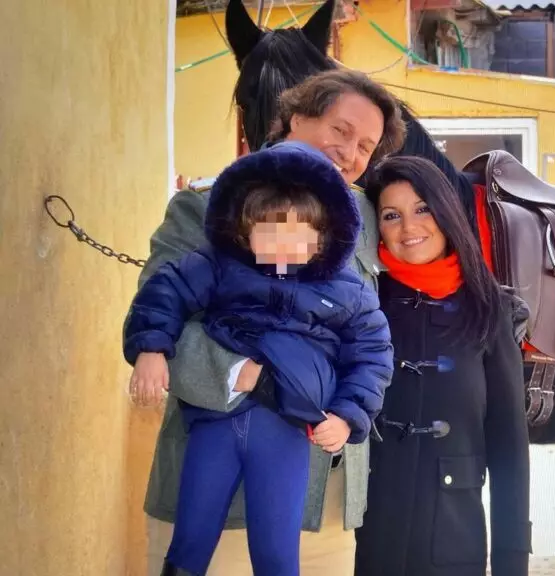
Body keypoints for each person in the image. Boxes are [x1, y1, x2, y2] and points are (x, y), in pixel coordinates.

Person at [130, 68, 407, 575]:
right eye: (340, 130)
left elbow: (370, 339)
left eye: (366, 146)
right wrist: (248, 376)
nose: (349, 152)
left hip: (327, 494)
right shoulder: (206, 205)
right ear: (295, 118)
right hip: (216, 481)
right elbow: (160, 311)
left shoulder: (368, 219)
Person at [354, 156, 532, 576]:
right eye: (391, 215)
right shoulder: (362, 304)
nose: (409, 228)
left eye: (422, 209)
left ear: (446, 213)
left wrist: (512, 562)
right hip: (369, 539)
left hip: (454, 541)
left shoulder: (491, 309)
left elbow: (510, 449)